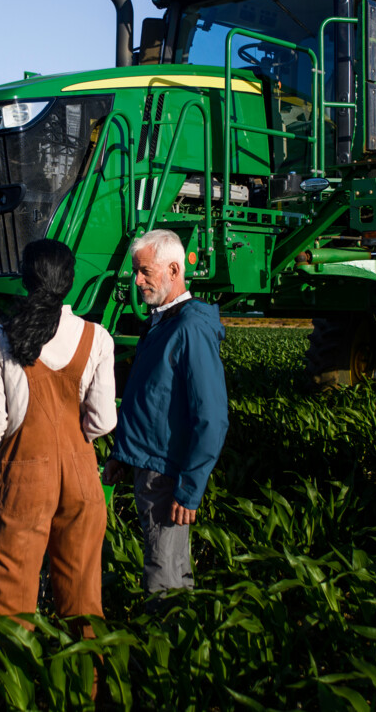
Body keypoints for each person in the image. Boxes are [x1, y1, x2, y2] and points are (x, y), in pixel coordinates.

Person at [0, 238, 117, 634]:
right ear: (70, 281)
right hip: (81, 476)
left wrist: (13, 448)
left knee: (11, 601)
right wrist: (76, 443)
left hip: (23, 477)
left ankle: (15, 688)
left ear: (25, 280)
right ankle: (85, 691)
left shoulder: (1, 338)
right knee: (83, 600)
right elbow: (104, 421)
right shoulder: (97, 338)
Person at [103, 228, 229, 599]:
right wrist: (122, 457)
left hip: (166, 475)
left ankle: (165, 645)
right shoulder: (161, 323)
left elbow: (212, 417)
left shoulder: (188, 327)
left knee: (163, 576)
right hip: (147, 463)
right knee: (165, 564)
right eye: (136, 272)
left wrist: (189, 489)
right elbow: (152, 401)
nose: (136, 280)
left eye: (145, 271)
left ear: (174, 271)